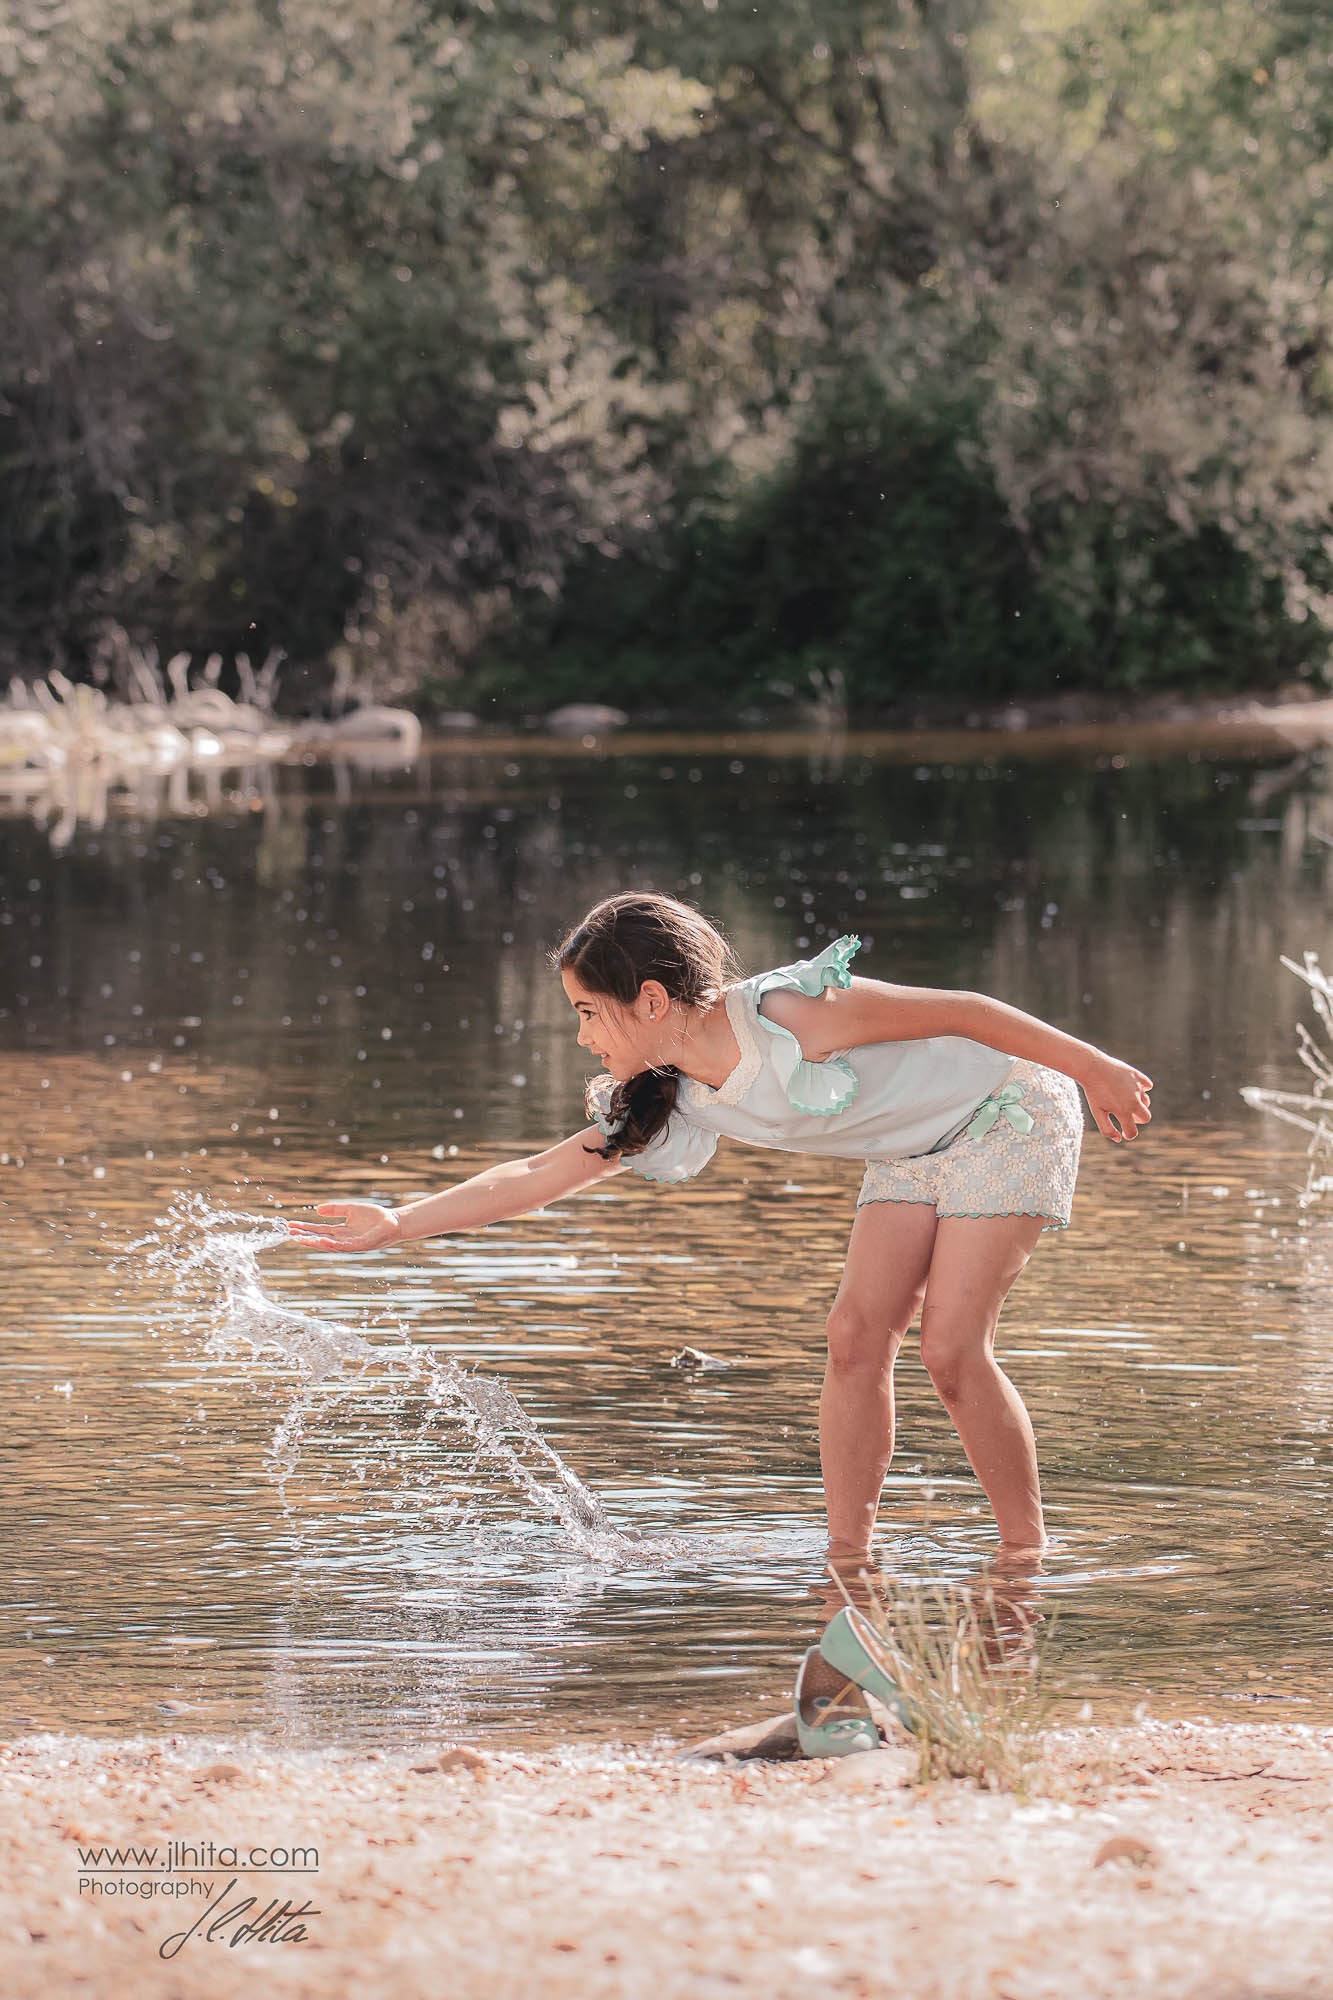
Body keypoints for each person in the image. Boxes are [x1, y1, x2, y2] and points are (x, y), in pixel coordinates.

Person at [287, 891, 1152, 1564]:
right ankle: (849, 1558)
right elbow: (539, 1173)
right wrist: (397, 1222)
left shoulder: (786, 1016)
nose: (582, 1035)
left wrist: (1094, 1067)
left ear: (652, 1000)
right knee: (854, 1337)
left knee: (950, 1349)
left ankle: (1025, 1555)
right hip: (914, 1145)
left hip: (1005, 1108)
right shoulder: (674, 1090)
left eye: (588, 1013)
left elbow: (964, 1009)